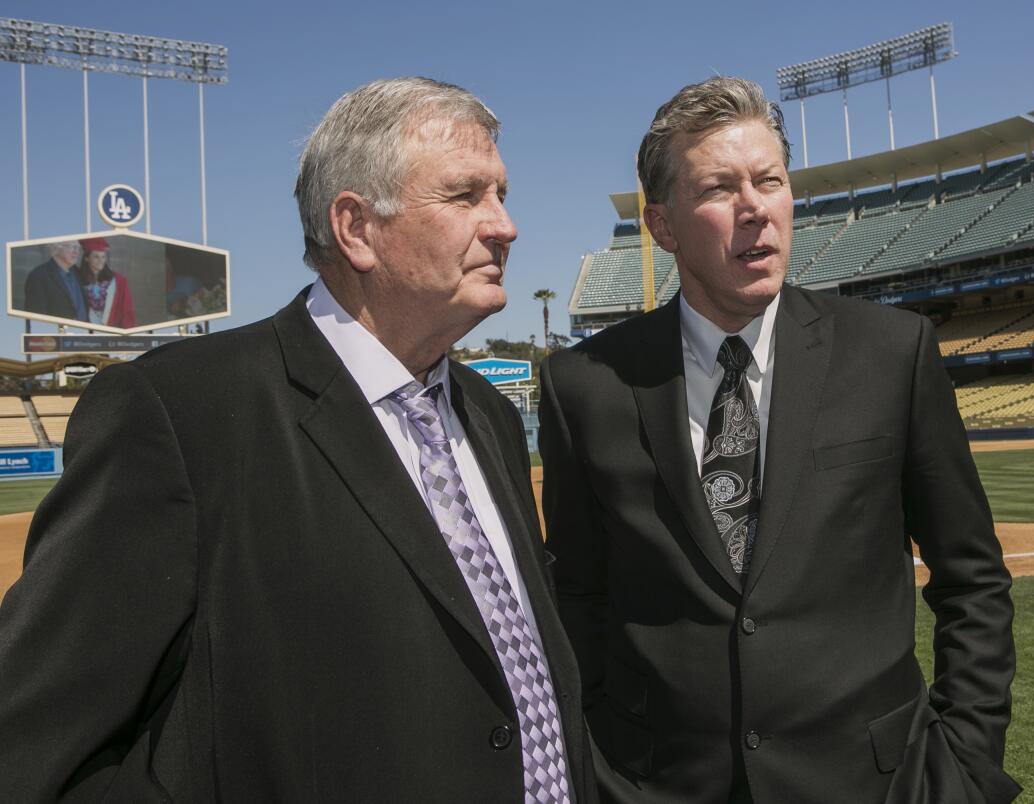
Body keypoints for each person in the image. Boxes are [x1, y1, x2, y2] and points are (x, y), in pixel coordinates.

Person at [0, 77, 593, 803]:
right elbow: (38, 746)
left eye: (501, 194)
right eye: (467, 196)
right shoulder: (181, 413)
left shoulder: (491, 415)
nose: (505, 226)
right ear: (355, 228)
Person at [539, 77, 1019, 803]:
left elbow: (972, 578)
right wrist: (600, 775)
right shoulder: (585, 385)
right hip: (657, 785)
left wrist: (965, 768)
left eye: (769, 180)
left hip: (876, 785)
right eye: (719, 188)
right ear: (663, 225)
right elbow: (578, 598)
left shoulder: (893, 353)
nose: (755, 208)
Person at [75, 237, 136, 328]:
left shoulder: (119, 281)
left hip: (112, 333)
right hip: (86, 331)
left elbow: (127, 311)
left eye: (103, 257)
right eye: (96, 257)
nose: (101, 261)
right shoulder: (77, 280)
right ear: (87, 258)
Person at [22, 240, 86, 322]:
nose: (77, 252)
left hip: (84, 332)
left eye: (78, 248)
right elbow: (36, 318)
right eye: (72, 246)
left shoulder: (77, 273)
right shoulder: (39, 276)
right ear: (56, 248)